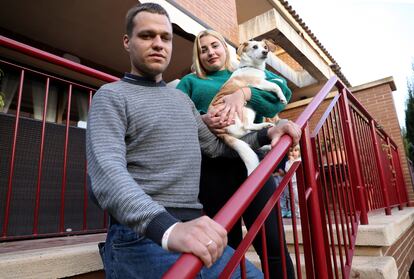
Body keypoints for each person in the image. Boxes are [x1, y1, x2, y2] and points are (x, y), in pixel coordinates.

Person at [86, 3, 301, 279]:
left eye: (165, 37)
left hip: (195, 227)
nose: (158, 44)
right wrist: (168, 229)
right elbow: (105, 175)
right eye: (147, 36)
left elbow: (217, 147)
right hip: (141, 234)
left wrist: (265, 133)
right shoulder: (111, 96)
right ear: (127, 42)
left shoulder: (182, 101)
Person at [177, 30, 295, 278]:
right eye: (203, 49)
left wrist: (244, 93)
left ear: (226, 48)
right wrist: (202, 120)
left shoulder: (245, 71)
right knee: (225, 251)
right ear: (198, 55)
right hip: (213, 171)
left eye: (215, 46)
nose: (210, 52)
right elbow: (177, 117)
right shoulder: (190, 81)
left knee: (272, 246)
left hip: (252, 167)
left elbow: (281, 94)